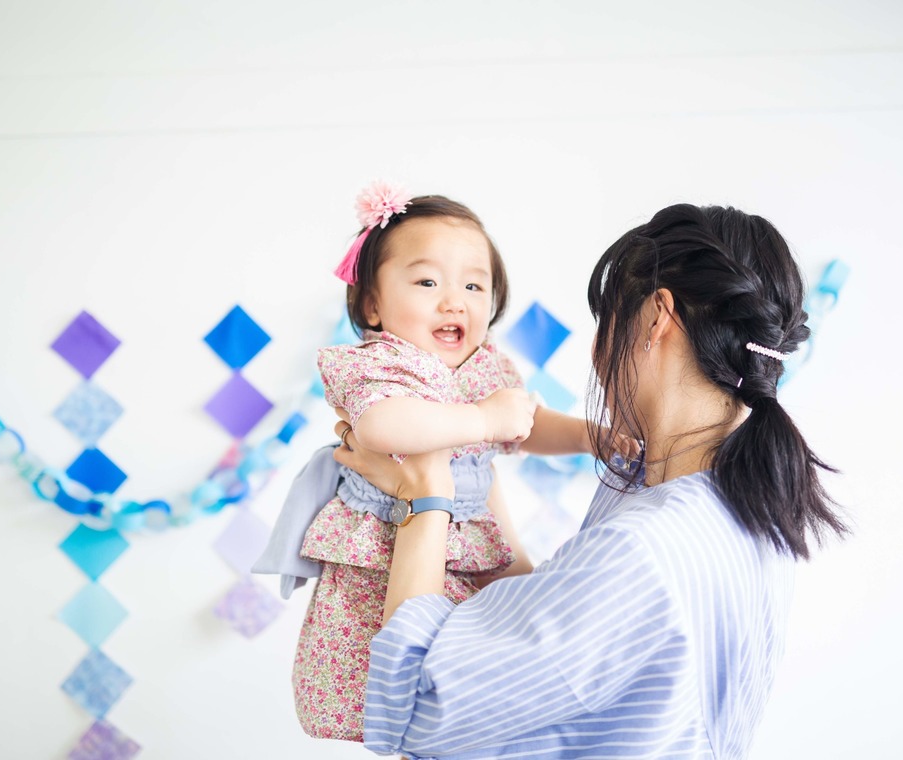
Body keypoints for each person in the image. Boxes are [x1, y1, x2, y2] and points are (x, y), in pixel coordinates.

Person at [334, 203, 849, 759]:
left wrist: (428, 494)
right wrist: (470, 477)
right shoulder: (740, 500)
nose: (596, 353)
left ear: (656, 319)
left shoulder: (643, 549)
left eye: (606, 323)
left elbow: (412, 709)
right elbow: (544, 636)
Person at [256, 182, 620, 743]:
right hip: (387, 558)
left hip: (474, 547)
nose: (455, 300)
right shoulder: (379, 364)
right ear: (372, 304)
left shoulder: (485, 366)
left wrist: (594, 437)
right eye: (427, 282)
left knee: (499, 667)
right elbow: (382, 425)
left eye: (474, 285)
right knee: (401, 686)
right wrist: (482, 421)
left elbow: (526, 423)